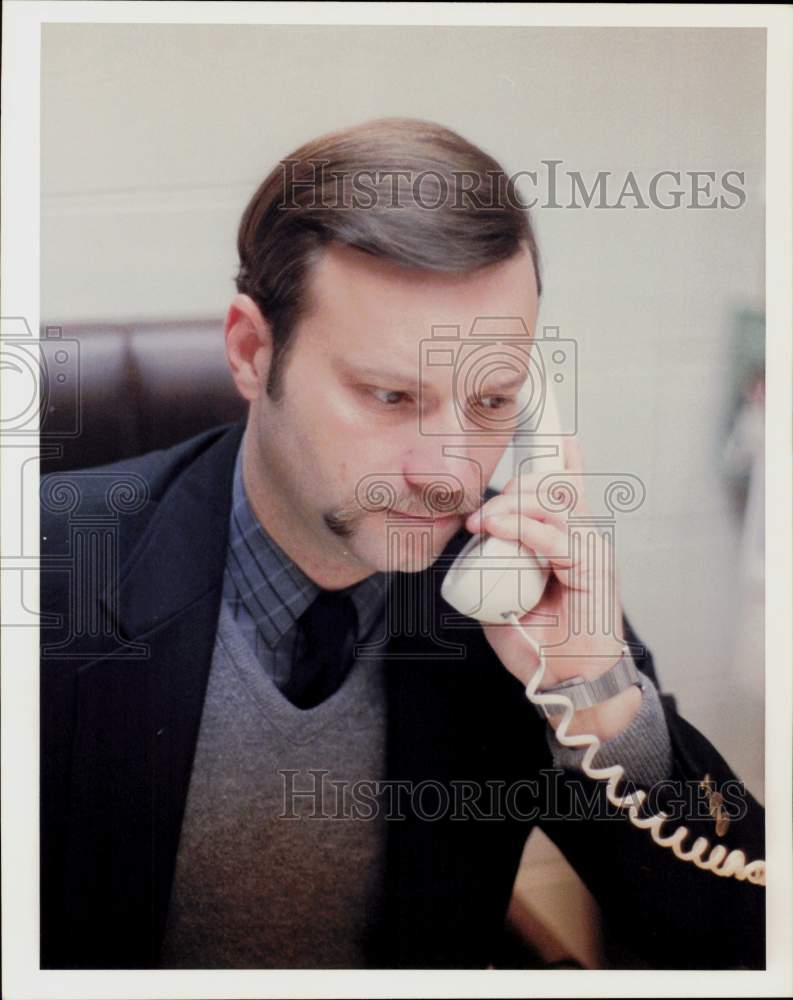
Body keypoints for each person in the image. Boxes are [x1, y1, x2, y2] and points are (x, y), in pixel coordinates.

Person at [40, 118, 764, 971]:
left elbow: (738, 941)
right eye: (390, 397)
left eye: (492, 404)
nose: (451, 475)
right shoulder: (54, 563)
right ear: (249, 351)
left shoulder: (517, 586)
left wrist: (596, 696)